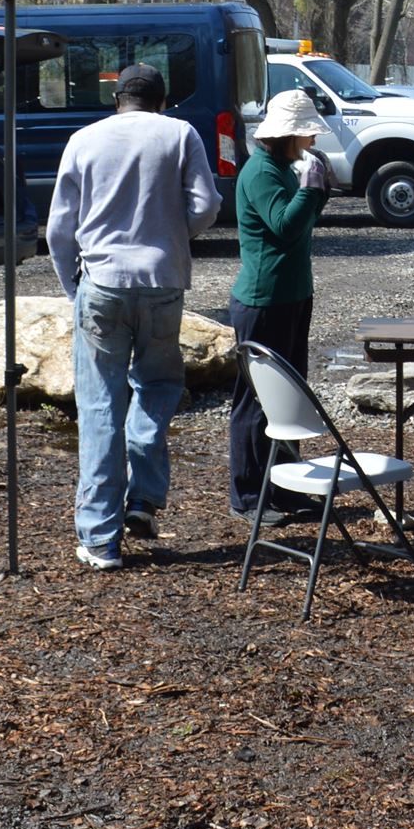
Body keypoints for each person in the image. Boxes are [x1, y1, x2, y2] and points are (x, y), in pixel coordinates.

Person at [46, 63, 223, 571]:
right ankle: (142, 500)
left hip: (101, 282)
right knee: (158, 385)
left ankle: (101, 538)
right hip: (162, 280)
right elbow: (207, 204)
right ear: (162, 101)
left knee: (100, 401)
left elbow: (60, 228)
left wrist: (71, 286)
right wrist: (171, 235)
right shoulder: (180, 134)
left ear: (116, 99)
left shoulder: (84, 139)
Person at [227, 89, 333, 524]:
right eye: (305, 133)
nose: (311, 141)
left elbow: (303, 219)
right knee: (257, 400)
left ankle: (285, 487)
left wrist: (319, 192)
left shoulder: (284, 168)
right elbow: (286, 227)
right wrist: (309, 192)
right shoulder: (260, 172)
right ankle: (248, 496)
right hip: (262, 298)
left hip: (290, 294)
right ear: (286, 135)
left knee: (289, 399)